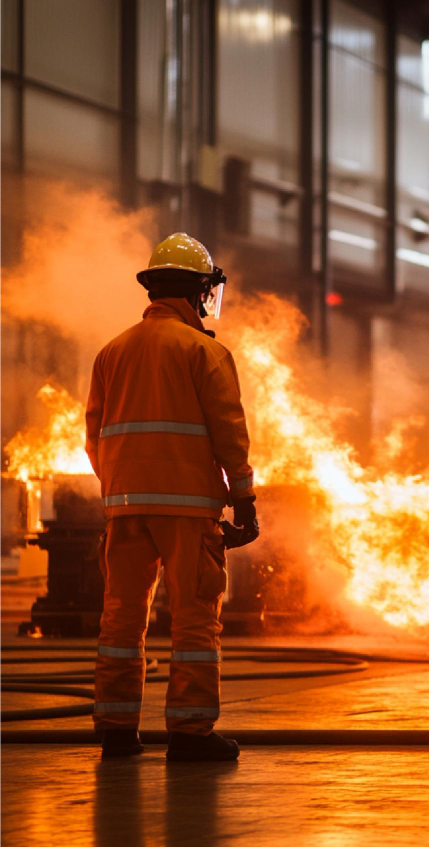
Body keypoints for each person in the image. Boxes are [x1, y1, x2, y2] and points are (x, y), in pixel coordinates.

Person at [85, 233, 259, 761]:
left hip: (126, 505)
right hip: (188, 508)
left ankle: (116, 728)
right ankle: (189, 733)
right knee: (193, 616)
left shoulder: (111, 351)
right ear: (198, 291)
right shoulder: (204, 350)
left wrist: (121, 485)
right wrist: (244, 497)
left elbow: (94, 434)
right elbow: (229, 430)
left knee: (120, 616)